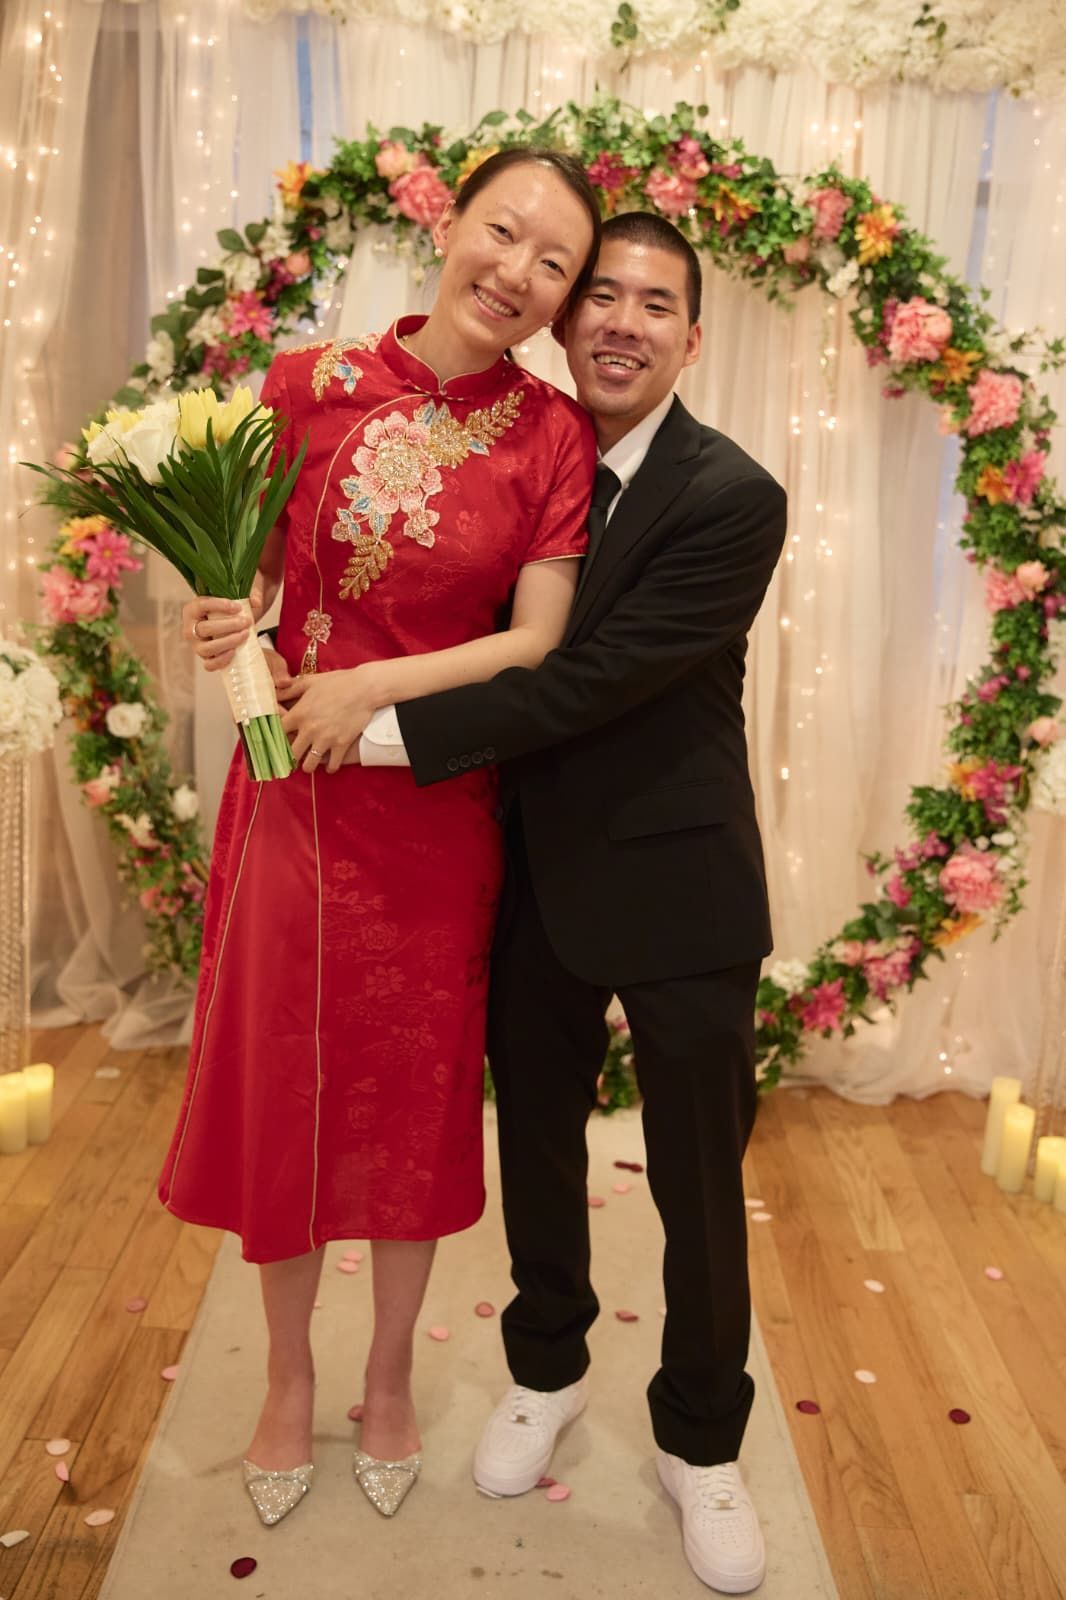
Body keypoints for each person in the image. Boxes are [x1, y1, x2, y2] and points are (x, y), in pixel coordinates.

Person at [157, 147, 602, 1527]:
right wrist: (232, 624)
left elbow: (535, 638)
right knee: (281, 1082)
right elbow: (246, 580)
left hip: (432, 811)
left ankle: (391, 1374)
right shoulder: (303, 386)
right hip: (290, 789)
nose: (516, 274)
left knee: (410, 1095)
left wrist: (374, 683)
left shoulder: (549, 434)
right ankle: (287, 1375)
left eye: (553, 265)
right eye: (503, 232)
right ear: (448, 223)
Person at [355, 213, 787, 1594]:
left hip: (678, 883)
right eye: (597, 293)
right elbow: (420, 607)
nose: (618, 320)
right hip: (526, 869)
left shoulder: (732, 496)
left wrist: (377, 732)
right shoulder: (509, 454)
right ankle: (546, 1372)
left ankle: (702, 1445)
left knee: (695, 1184)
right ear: (558, 315)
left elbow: (589, 682)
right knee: (535, 1150)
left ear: (689, 339)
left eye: (652, 304)